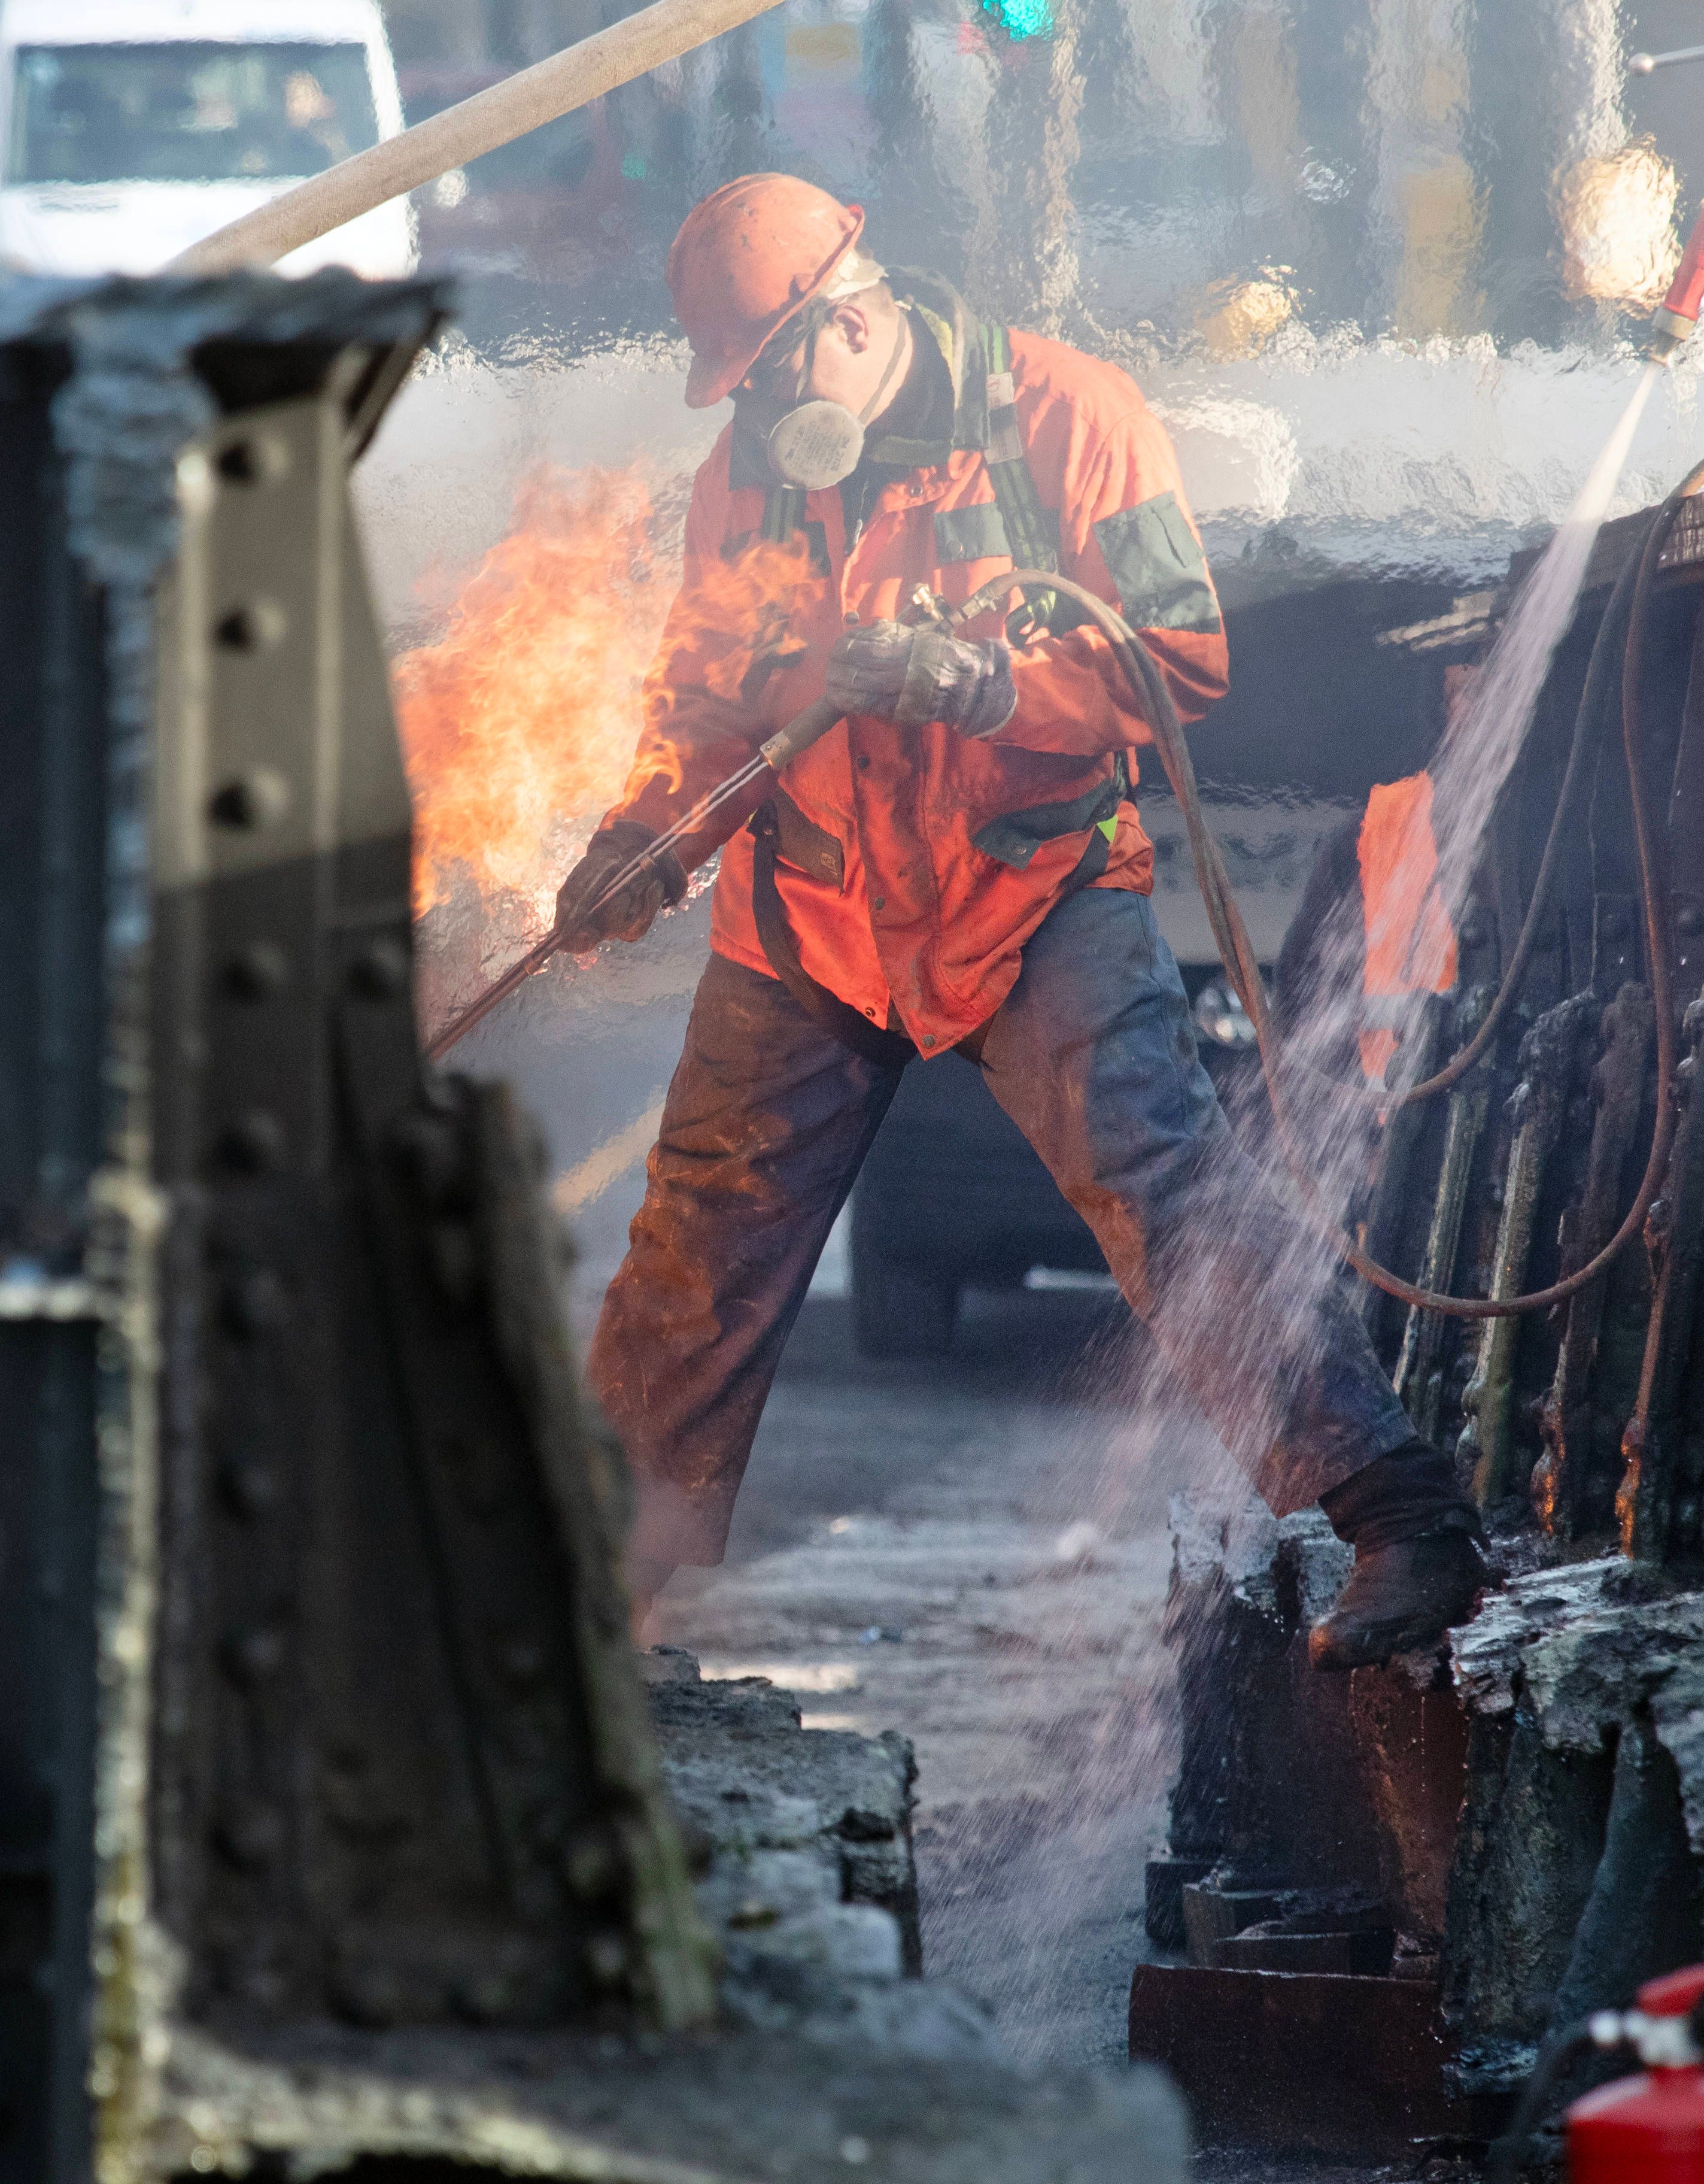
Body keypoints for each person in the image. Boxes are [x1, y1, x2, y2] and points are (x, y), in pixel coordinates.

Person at [572, 174, 1485, 1671]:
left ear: (847, 321)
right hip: (814, 913)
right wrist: (645, 839)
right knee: (696, 1251)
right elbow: (707, 701)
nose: (760, 412)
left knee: (1170, 1188)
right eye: (741, 389)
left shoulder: (1071, 418)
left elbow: (1180, 661)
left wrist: (988, 687)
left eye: (772, 375)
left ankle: (1405, 1521)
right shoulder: (747, 478)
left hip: (1027, 893)